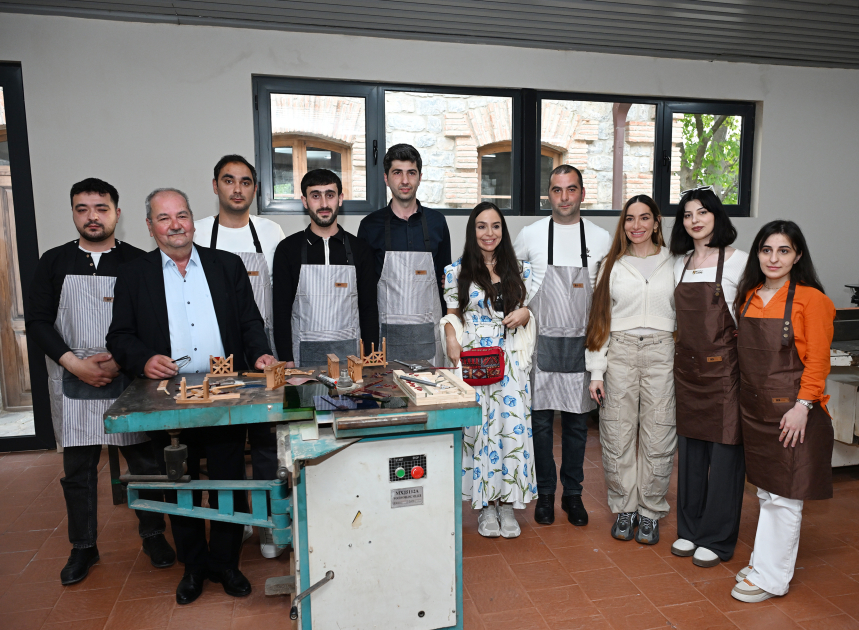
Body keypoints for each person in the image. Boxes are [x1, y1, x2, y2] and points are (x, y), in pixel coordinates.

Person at [106, 188, 276, 605]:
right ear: (150, 226)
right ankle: (194, 566)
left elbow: (250, 322)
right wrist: (144, 359)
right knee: (178, 483)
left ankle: (227, 563)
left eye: (181, 215)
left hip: (225, 394)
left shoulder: (226, 266)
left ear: (192, 219)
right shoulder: (134, 274)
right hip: (171, 398)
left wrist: (261, 353)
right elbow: (119, 336)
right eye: (164, 218)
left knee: (229, 479)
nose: (175, 224)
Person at [25, 178, 175, 585]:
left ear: (117, 213)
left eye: (101, 208)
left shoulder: (139, 262)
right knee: (79, 469)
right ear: (73, 213)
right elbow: (38, 322)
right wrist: (77, 364)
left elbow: (151, 321)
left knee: (144, 463)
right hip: (74, 377)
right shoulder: (53, 262)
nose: (92, 216)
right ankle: (83, 547)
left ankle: (153, 535)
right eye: (82, 208)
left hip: (126, 375)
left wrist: (121, 361)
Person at [730, 220, 835, 603]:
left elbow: (819, 361)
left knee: (785, 496)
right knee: (766, 492)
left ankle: (772, 578)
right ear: (757, 254)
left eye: (784, 251)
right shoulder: (750, 295)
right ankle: (764, 562)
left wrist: (803, 407)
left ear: (798, 256)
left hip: (793, 413)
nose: (774, 258)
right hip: (756, 411)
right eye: (766, 250)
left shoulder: (812, 300)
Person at [193, 154, 285, 559]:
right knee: (225, 441)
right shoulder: (196, 233)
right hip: (219, 349)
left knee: (267, 439)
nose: (237, 188)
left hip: (263, 346)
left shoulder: (270, 231)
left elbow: (280, 295)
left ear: (254, 189)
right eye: (228, 181)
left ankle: (266, 522)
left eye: (245, 182)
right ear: (215, 186)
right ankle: (238, 518)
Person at [513, 165, 611, 527]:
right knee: (539, 425)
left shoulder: (601, 239)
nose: (564, 197)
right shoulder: (531, 235)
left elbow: (603, 299)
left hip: (582, 347)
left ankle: (573, 495)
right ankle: (546, 495)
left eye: (571, 190)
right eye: (557, 190)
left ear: (582, 194)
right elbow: (509, 274)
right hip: (540, 348)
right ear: (548, 195)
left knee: (576, 425)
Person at [586, 195, 676, 545]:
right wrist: (596, 370)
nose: (636, 225)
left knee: (659, 436)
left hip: (662, 354)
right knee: (617, 435)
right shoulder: (610, 264)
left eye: (644, 218)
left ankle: (650, 512)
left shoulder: (676, 262)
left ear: (656, 222)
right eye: (629, 219)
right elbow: (599, 321)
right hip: (619, 354)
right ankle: (625, 507)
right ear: (622, 224)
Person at [443, 202, 534, 537]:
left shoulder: (520, 270)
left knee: (511, 431)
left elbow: (527, 311)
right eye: (481, 226)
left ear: (503, 231)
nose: (489, 233)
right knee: (481, 433)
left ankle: (508, 505)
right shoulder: (456, 271)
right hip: (476, 361)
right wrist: (451, 335)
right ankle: (484, 508)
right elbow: (452, 314)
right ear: (472, 231)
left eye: (495, 226)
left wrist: (525, 314)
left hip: (510, 360)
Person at [669, 187, 749, 568]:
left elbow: (750, 323)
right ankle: (689, 530)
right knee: (691, 456)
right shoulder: (678, 263)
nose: (695, 220)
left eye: (702, 212)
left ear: (717, 216)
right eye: (687, 214)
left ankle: (716, 539)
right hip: (687, 372)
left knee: (725, 456)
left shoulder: (739, 262)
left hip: (724, 374)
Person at [357, 144, 452, 365]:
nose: (405, 180)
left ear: (420, 177)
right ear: (386, 178)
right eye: (397, 173)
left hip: (430, 340)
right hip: (385, 343)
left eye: (411, 173)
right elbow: (365, 292)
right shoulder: (370, 226)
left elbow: (446, 286)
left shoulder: (437, 223)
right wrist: (368, 346)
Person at [273, 169, 378, 366]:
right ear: (305, 202)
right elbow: (281, 311)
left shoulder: (360, 249)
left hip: (351, 359)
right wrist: (286, 360)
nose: (323, 204)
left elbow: (369, 309)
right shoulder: (288, 249)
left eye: (330, 195)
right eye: (315, 196)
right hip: (302, 359)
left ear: (340, 199)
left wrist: (371, 358)